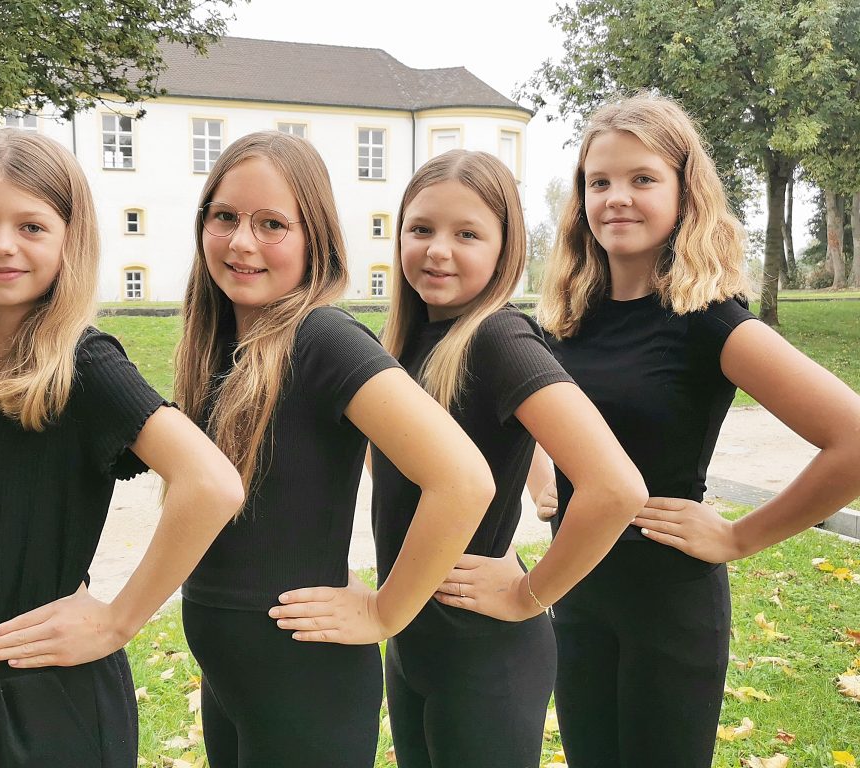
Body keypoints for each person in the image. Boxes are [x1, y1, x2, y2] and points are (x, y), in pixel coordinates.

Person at [439, 94, 860, 768]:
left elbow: (854, 440)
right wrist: (545, 477)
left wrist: (739, 537)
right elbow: (541, 418)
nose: (617, 198)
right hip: (576, 594)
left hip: (669, 608)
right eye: (599, 181)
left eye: (642, 179)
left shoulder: (710, 321)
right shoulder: (565, 321)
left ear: (685, 193)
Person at [0, 128, 244, 768]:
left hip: (48, 698)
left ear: (71, 238)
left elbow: (212, 484)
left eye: (32, 227)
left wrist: (119, 621)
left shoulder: (83, 364)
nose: (1, 244)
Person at [276, 149, 645, 768]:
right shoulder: (405, 340)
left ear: (506, 249)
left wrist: (529, 593)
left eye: (467, 234)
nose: (438, 250)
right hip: (416, 643)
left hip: (484, 657)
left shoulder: (498, 336)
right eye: (421, 229)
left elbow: (615, 487)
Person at [173, 131, 496, 768]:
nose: (241, 242)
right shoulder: (221, 347)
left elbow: (463, 481)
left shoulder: (322, 337)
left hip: (303, 683)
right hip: (234, 677)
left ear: (314, 238)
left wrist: (384, 612)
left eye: (272, 224)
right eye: (225, 216)